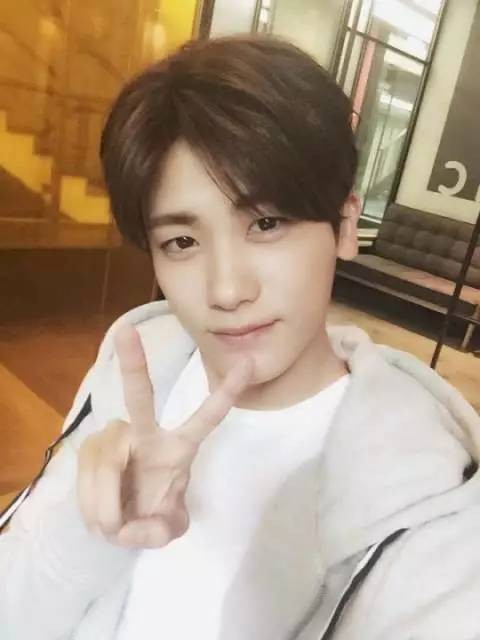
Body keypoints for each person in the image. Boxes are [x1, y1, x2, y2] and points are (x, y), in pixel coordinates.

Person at [1, 33, 480, 640]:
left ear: (345, 224)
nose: (226, 289)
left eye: (267, 223)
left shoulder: (432, 507)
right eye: (182, 242)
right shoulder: (134, 377)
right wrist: (86, 529)